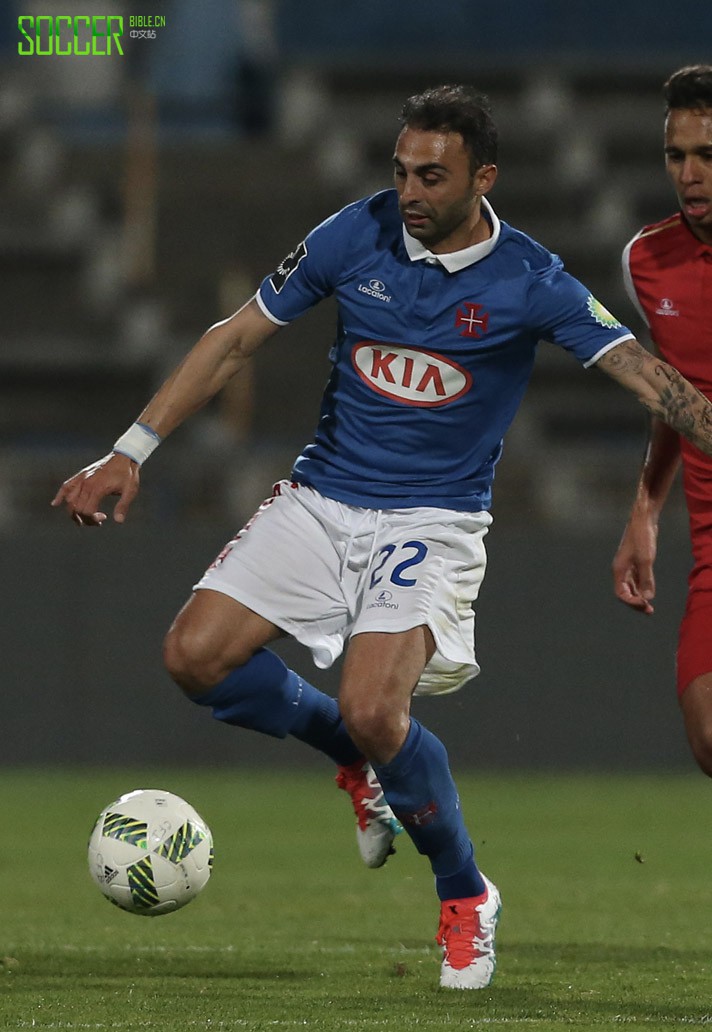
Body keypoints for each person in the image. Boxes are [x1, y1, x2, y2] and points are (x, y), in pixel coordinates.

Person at [53, 84, 712, 991]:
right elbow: (236, 337)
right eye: (401, 171)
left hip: (432, 521)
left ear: (483, 178)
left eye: (432, 177)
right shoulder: (351, 236)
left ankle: (465, 892)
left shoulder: (530, 278)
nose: (409, 191)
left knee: (377, 706)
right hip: (323, 497)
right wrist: (131, 450)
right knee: (194, 657)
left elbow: (647, 378)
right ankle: (352, 763)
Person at [613, 65, 712, 776]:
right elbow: (671, 397)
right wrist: (646, 509)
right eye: (676, 155)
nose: (690, 173)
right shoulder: (646, 260)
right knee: (708, 732)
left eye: (707, 155)